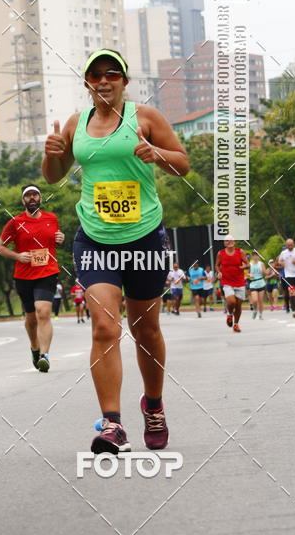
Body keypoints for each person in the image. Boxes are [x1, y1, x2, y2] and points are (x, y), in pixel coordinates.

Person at [43, 47, 189, 453]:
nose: (103, 80)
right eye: (95, 75)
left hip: (144, 237)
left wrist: (155, 153)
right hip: (95, 239)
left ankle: (154, 405)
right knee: (105, 327)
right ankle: (112, 425)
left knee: (145, 330)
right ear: (87, 83)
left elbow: (183, 163)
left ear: (125, 81)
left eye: (112, 74)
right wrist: (51, 155)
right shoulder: (76, 124)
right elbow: (54, 177)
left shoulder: (146, 118)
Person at [0, 184, 65, 371]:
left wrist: (60, 238)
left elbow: (55, 240)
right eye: (28, 195)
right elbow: (0, 248)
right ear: (23, 200)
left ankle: (45, 355)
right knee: (31, 317)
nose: (32, 198)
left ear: (40, 199)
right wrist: (18, 256)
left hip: (48, 271)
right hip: (24, 275)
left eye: (35, 195)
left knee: (42, 311)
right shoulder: (15, 222)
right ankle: (34, 347)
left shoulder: (52, 218)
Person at [215, 239, 249, 332]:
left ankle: (236, 324)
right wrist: (219, 272)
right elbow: (217, 265)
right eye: (226, 241)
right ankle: (229, 314)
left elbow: (248, 264)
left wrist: (243, 267)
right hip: (227, 281)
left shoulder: (240, 251)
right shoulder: (220, 253)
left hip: (239, 282)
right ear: (224, 243)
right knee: (231, 301)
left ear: (234, 242)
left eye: (230, 240)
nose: (228, 242)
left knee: (238, 306)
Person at [277, 239, 295, 317]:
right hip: (288, 276)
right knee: (292, 292)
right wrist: (281, 263)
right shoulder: (283, 253)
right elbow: (278, 262)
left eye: (291, 245)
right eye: (288, 245)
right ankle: (294, 310)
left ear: (293, 244)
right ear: (286, 245)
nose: (290, 246)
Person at [248, 253, 266, 319]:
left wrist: (264, 271)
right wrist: (249, 275)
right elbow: (247, 273)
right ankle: (255, 310)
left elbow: (265, 273)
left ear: (259, 256)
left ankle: (260, 314)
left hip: (261, 283)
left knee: (260, 301)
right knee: (255, 300)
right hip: (253, 283)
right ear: (252, 257)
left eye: (257, 255)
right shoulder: (250, 264)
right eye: (254, 256)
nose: (255, 257)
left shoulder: (261, 264)